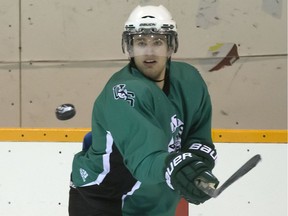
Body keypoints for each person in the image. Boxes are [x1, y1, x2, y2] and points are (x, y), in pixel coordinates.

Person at [68, 5, 219, 216]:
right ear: (129, 48)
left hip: (155, 199)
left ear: (170, 46)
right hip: (106, 200)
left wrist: (195, 170)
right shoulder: (122, 92)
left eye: (158, 42)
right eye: (140, 42)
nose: (149, 51)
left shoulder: (190, 80)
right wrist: (180, 169)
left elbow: (198, 137)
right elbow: (145, 159)